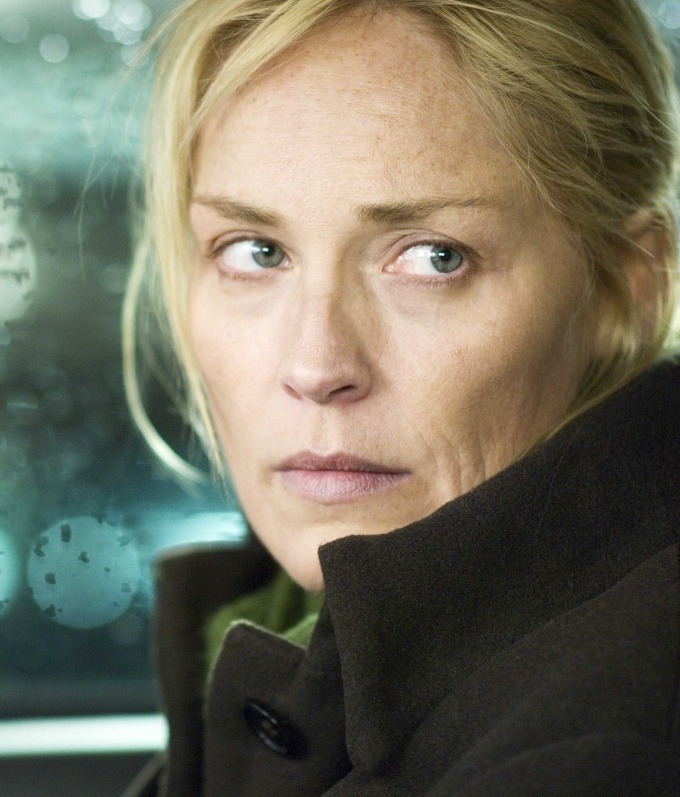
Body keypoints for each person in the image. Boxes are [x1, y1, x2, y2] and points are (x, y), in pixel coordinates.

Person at [119, 1, 680, 795]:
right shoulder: (280, 637)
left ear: (624, 290)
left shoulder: (607, 750)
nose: (317, 366)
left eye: (433, 257)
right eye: (257, 251)